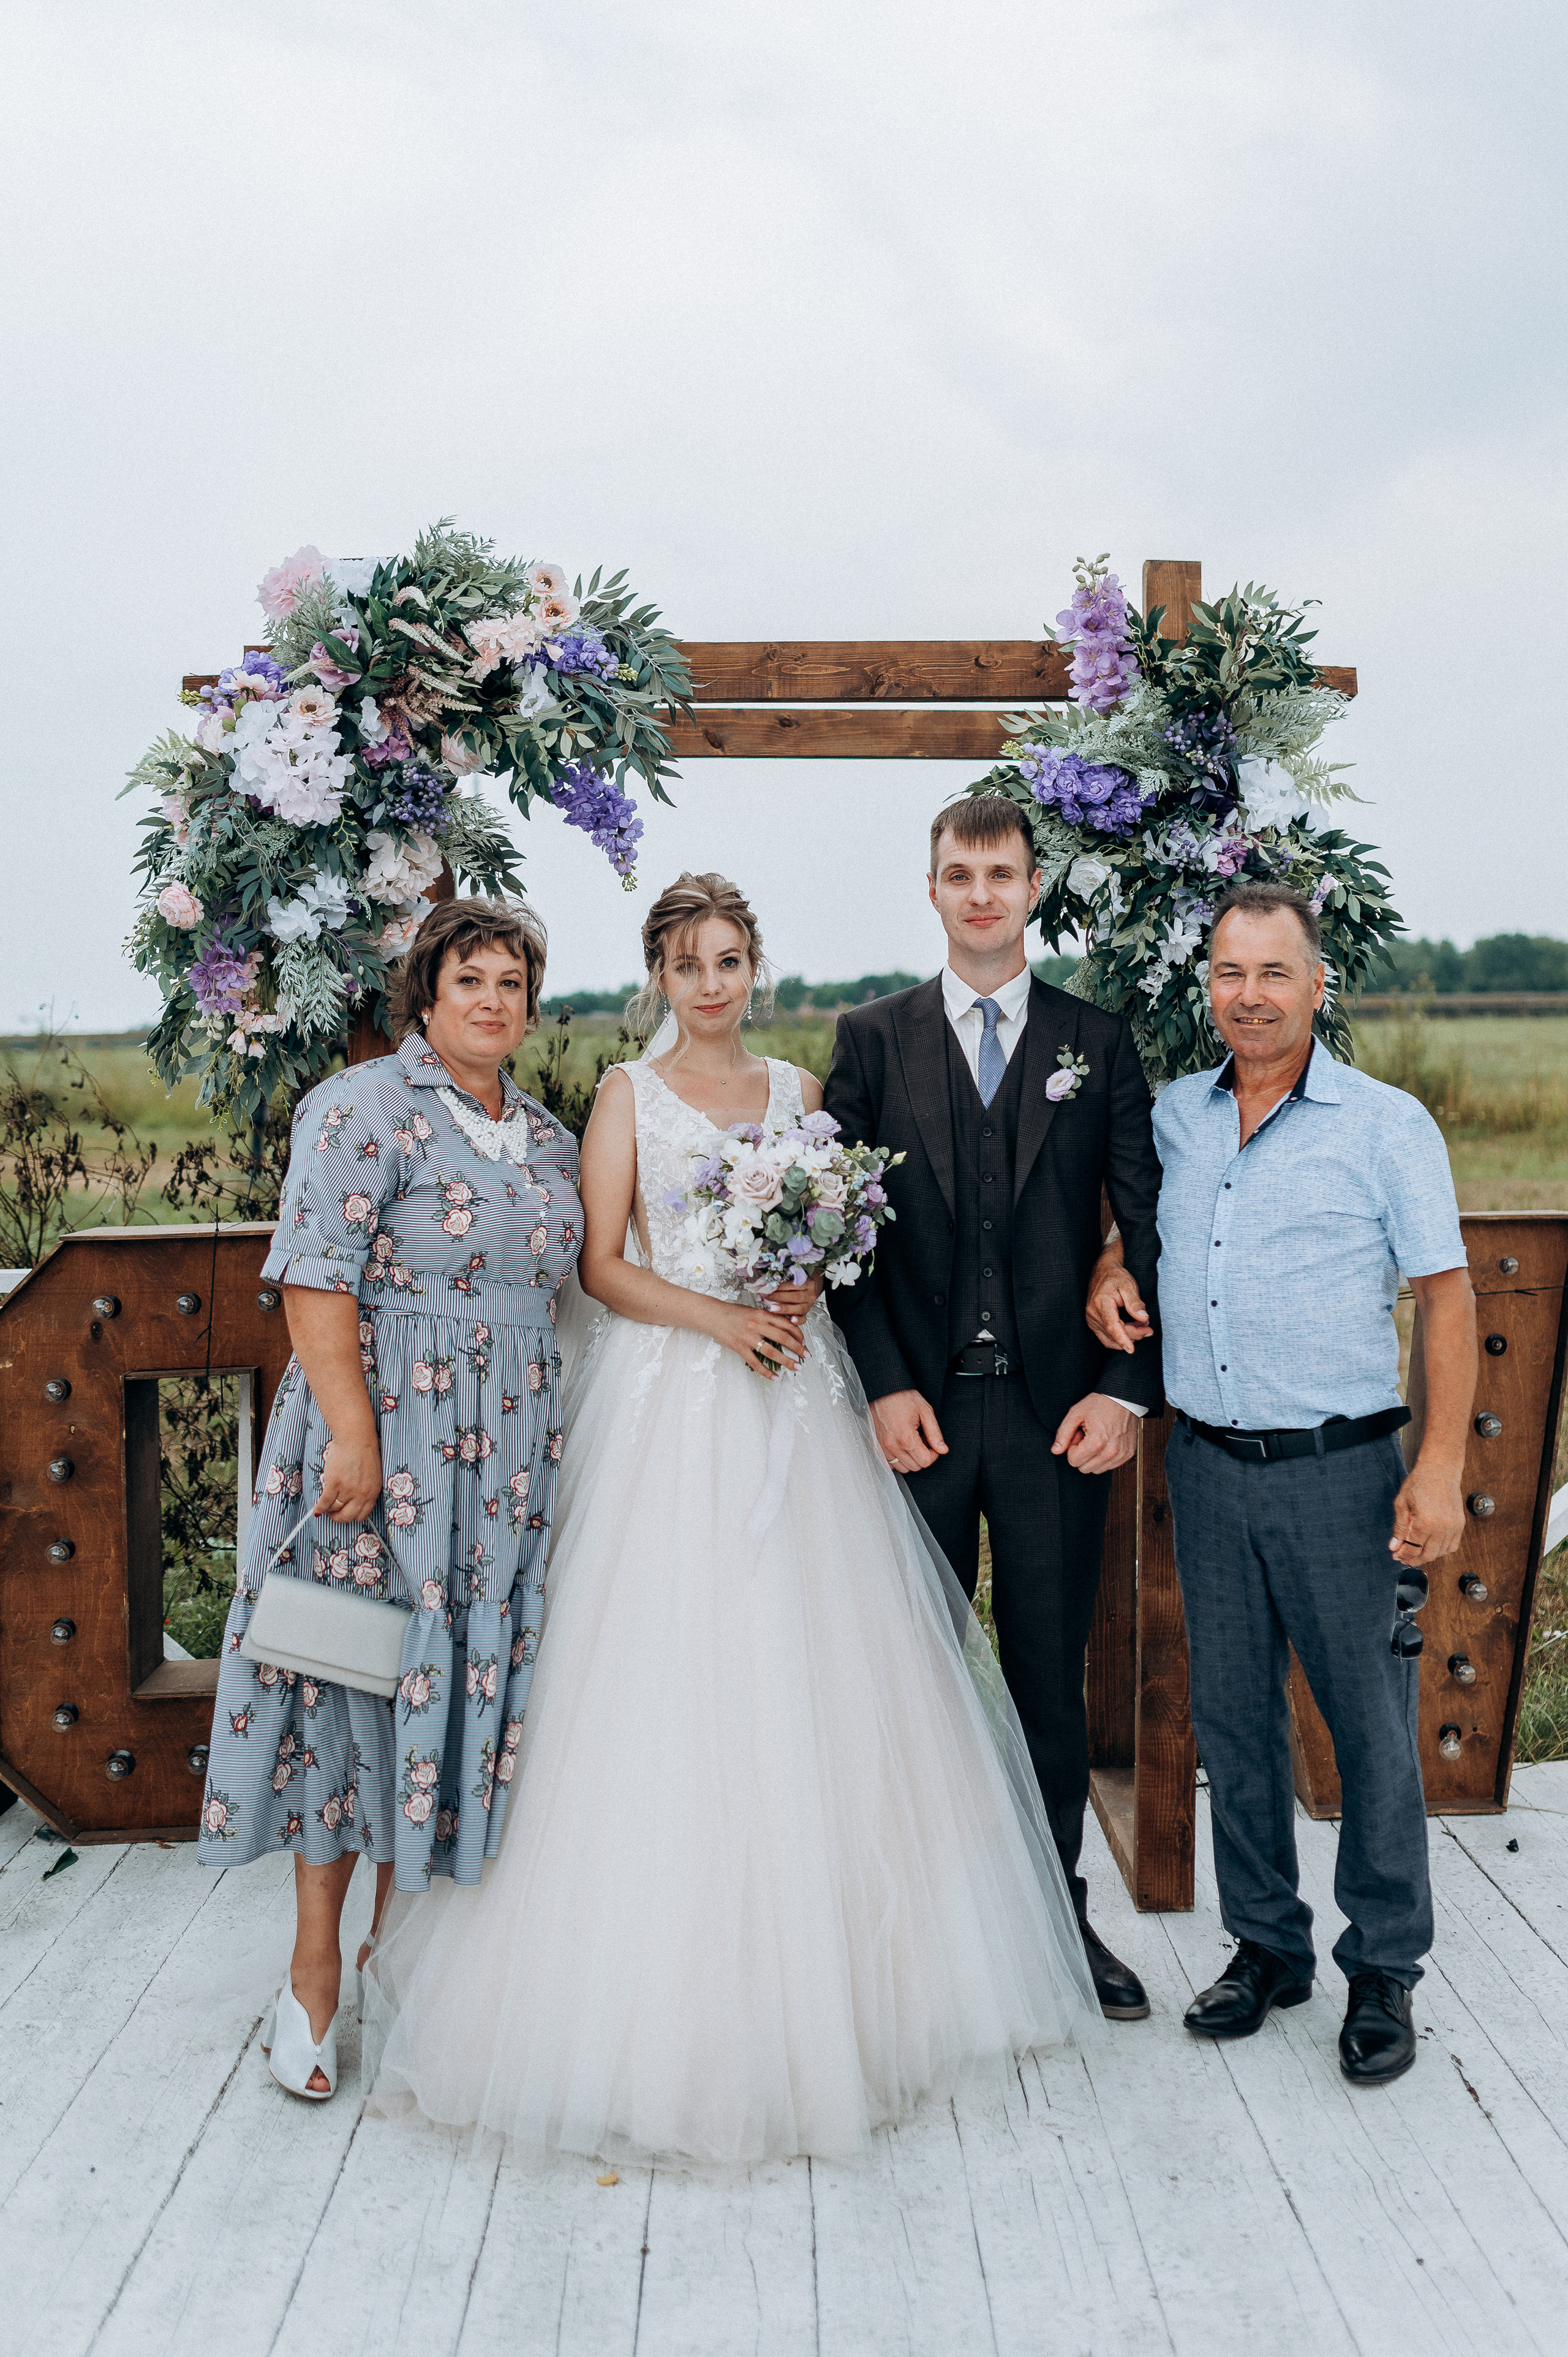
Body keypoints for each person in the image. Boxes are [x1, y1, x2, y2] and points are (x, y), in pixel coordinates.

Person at [362, 871, 1101, 2165]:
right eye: (687, 962)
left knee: (816, 1671)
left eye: (729, 959)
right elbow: (602, 1262)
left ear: (754, 967)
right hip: (675, 1398)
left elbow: (836, 1248)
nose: (710, 982)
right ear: (656, 977)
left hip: (794, 1402)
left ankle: (854, 1985)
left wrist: (802, 1280)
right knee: (662, 1679)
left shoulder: (803, 1095)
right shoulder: (622, 1100)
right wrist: (722, 1321)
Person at [1088, 880, 1475, 2085]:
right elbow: (1127, 1223)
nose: (1245, 996)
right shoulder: (1171, 1118)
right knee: (1233, 1721)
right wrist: (1108, 1256)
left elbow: (1446, 1298)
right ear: (1203, 986)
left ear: (1317, 984)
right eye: (1226, 973)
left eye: (1270, 972)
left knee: (1367, 1727)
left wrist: (1440, 1467)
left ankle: (1382, 1969)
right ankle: (1266, 1944)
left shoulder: (1381, 1123)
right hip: (1203, 1463)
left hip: (1341, 1468)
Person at [197, 896, 582, 2102]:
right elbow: (314, 1274)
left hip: (504, 1458)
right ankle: (313, 1971)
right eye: (469, 979)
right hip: (389, 1437)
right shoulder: (363, 1107)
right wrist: (353, 1436)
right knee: (346, 1685)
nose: (491, 1002)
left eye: (511, 984)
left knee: (453, 1690)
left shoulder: (546, 1134)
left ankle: (396, 1950)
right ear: (425, 993)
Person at [821, 795, 1164, 2021]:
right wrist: (879, 1381)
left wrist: (1126, 1387)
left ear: (1033, 890)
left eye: (1002, 873)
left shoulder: (1098, 1040)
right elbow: (835, 1232)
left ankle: (1058, 1924)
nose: (980, 894)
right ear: (930, 890)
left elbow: (1148, 1223)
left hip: (1053, 1420)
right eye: (958, 874)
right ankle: (904, 1937)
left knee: (1042, 1685)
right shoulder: (869, 1039)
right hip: (911, 1417)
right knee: (896, 1679)